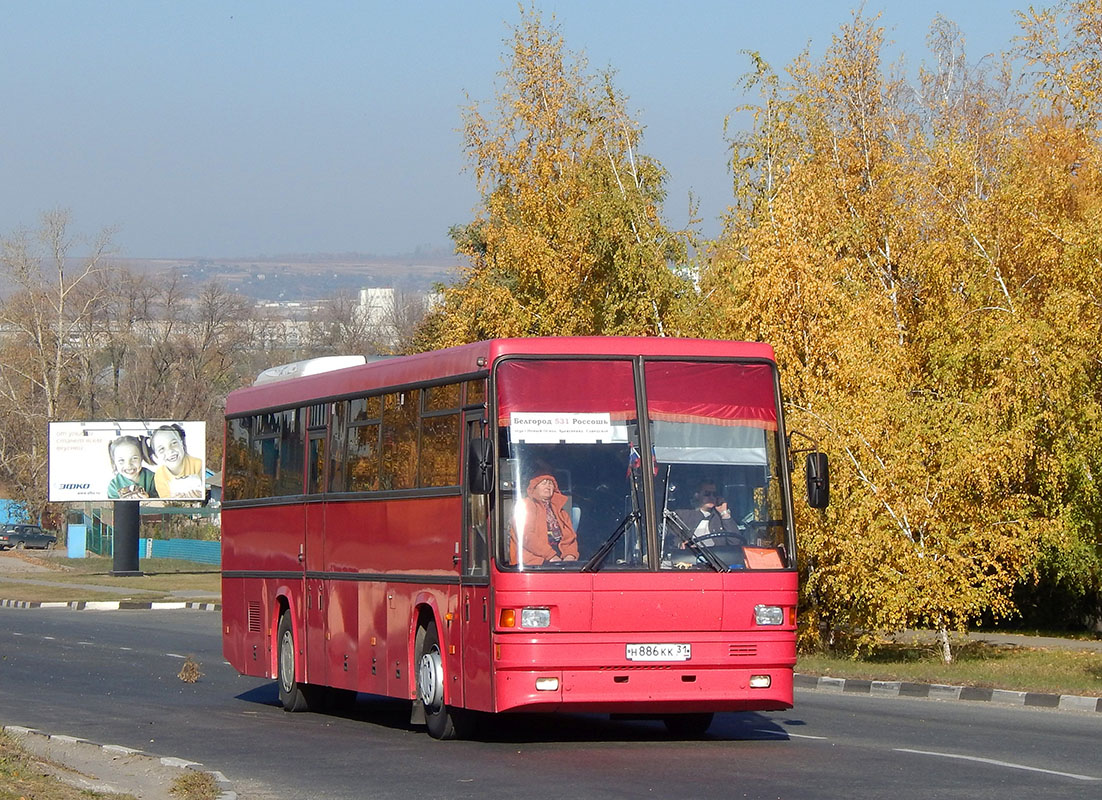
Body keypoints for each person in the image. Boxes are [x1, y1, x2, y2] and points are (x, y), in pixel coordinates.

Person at [510, 473, 579, 566]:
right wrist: (550, 556)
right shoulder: (526, 505)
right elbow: (526, 536)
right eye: (544, 483)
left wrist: (570, 555)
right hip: (533, 563)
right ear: (535, 488)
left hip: (559, 560)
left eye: (550, 483)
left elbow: (570, 537)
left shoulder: (560, 511)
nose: (548, 486)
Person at [675, 480, 744, 546]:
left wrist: (724, 514)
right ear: (697, 495)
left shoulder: (721, 518)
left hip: (717, 556)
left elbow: (736, 543)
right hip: (689, 556)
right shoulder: (684, 515)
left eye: (714, 494)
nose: (711, 497)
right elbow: (670, 539)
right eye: (707, 494)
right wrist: (680, 545)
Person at [150, 424, 204, 499]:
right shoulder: (159, 476)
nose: (170, 451)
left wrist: (200, 497)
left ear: (181, 443)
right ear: (156, 456)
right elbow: (166, 502)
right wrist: (172, 501)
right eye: (161, 449)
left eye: (174, 443)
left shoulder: (199, 465)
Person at [106, 435, 158, 499]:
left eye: (134, 458)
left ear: (141, 457)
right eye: (121, 460)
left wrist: (147, 500)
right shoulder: (114, 485)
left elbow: (162, 504)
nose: (128, 465)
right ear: (114, 461)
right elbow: (113, 507)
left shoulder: (153, 479)